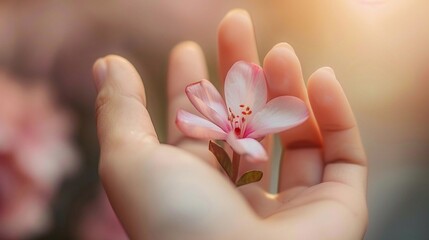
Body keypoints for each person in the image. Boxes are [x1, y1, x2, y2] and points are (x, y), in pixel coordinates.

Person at [92, 9, 368, 240]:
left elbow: (263, 124)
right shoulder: (228, 127)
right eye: (238, 119)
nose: (239, 121)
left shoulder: (247, 131)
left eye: (240, 120)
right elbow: (198, 117)